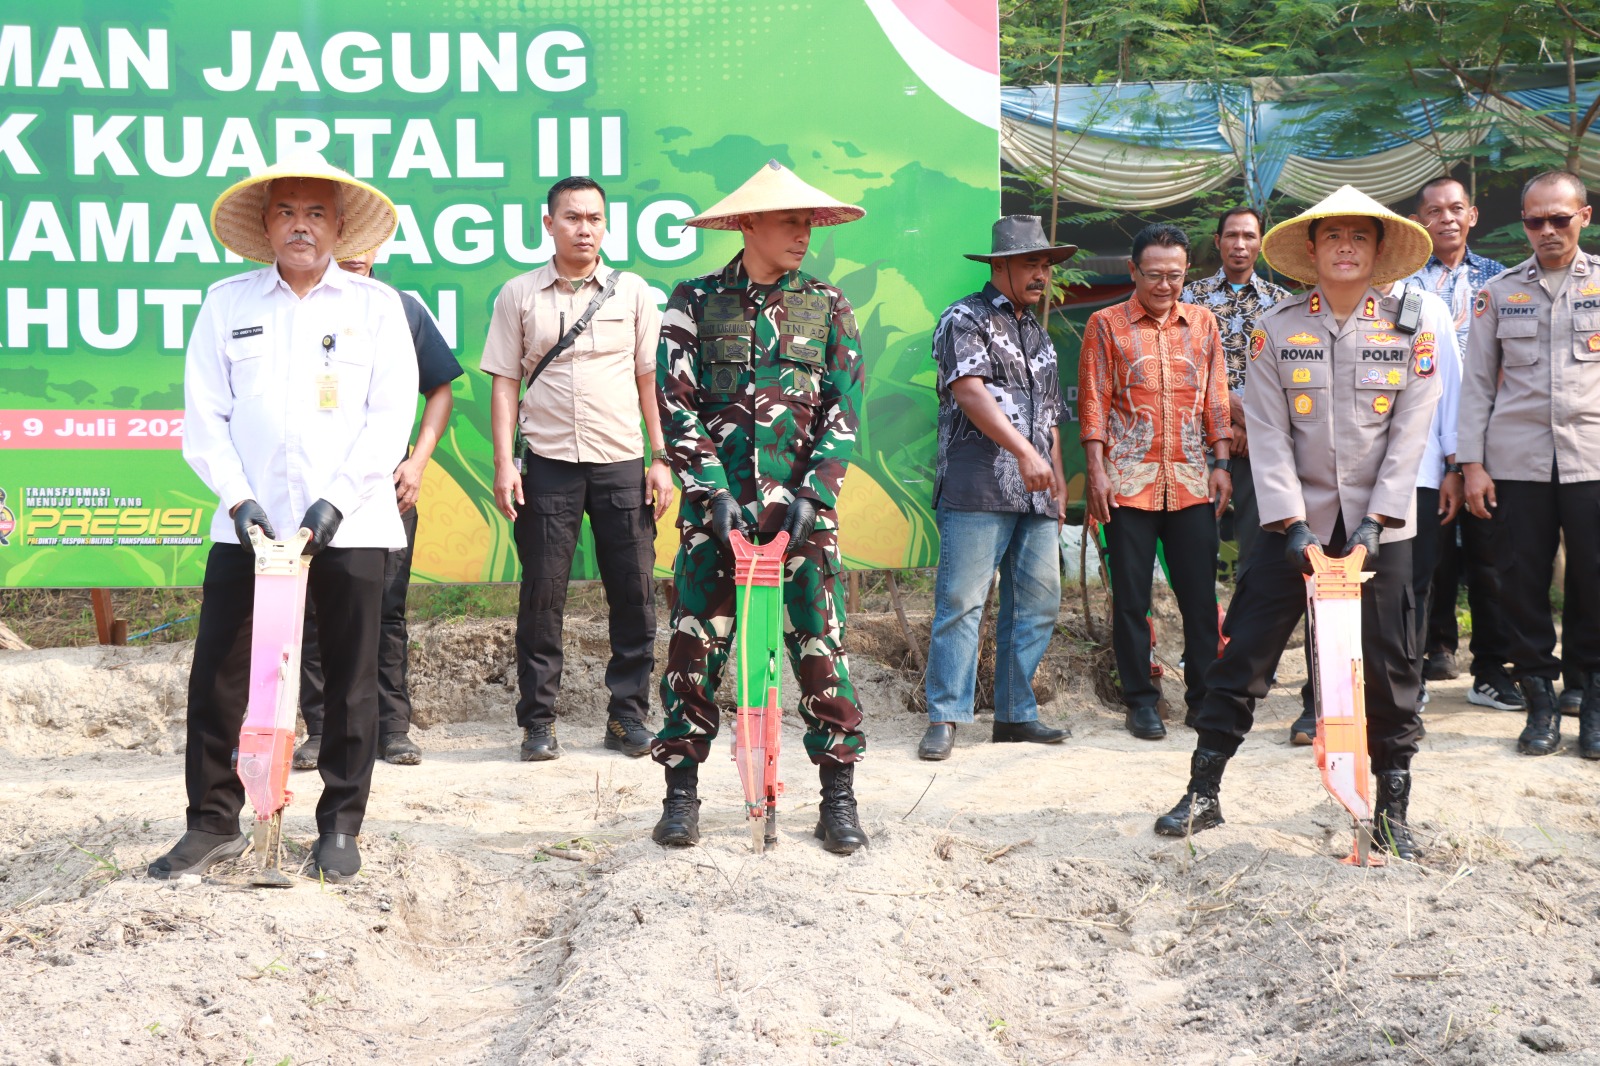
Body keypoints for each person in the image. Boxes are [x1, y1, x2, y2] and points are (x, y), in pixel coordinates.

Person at [1154, 185, 1443, 860]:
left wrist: (1376, 521)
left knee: (1393, 664)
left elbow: (1411, 432)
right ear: (1311, 251)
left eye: (1359, 238)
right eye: (1332, 237)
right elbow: (1268, 428)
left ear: (1377, 251)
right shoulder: (1277, 328)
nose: (1345, 248)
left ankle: (1392, 811)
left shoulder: (1411, 326)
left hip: (1383, 529)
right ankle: (1203, 791)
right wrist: (1291, 524)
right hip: (1292, 526)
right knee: (1247, 650)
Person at [148, 157, 416, 882]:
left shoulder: (376, 308)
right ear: (265, 225)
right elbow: (205, 419)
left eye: (317, 213)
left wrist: (337, 499)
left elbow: (391, 418)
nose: (301, 224)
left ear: (337, 227)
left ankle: (339, 826)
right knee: (220, 678)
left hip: (351, 523)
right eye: (287, 211)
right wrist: (241, 502)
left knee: (355, 682)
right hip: (250, 527)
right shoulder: (226, 304)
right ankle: (211, 822)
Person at [649, 160, 868, 854]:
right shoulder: (694, 300)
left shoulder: (828, 305)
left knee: (818, 648)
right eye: (789, 221)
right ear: (749, 225)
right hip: (716, 516)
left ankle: (837, 795)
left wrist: (813, 495)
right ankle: (680, 796)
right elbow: (675, 405)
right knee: (694, 648)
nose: (802, 234)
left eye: (807, 222)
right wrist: (711, 493)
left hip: (802, 517)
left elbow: (845, 407)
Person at [480, 177, 672, 762]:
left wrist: (659, 458)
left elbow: (649, 380)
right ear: (549, 224)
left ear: (606, 225)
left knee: (635, 596)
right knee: (542, 599)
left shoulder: (633, 292)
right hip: (548, 466)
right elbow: (505, 381)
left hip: (622, 464)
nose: (583, 228)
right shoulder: (518, 294)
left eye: (594, 218)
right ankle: (538, 724)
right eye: (571, 218)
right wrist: (504, 464)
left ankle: (627, 717)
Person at [294, 248, 464, 770]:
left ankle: (392, 729)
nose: (356, 252)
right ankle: (321, 729)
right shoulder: (296, 306)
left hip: (383, 489)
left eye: (368, 240)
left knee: (385, 610)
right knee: (309, 612)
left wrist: (416, 462)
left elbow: (439, 391)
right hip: (307, 492)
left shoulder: (400, 306)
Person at [917, 215, 1076, 761]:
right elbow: (969, 392)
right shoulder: (964, 317)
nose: (1041, 274)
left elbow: (1050, 417)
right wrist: (1026, 454)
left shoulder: (1039, 332)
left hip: (1036, 494)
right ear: (1001, 266)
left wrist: (1054, 483)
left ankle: (1014, 714)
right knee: (962, 603)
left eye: (1045, 265)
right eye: (1031, 263)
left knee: (1037, 605)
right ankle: (945, 716)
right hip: (977, 486)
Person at [1459, 170, 1599, 759]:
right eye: (1535, 221)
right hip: (1516, 464)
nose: (1547, 230)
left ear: (1583, 217)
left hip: (1592, 461)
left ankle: (1590, 701)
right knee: (1519, 583)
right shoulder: (1498, 293)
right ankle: (1540, 697)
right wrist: (1471, 465)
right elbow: (1475, 387)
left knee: (1594, 583)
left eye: (1559, 219)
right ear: (1524, 225)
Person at [1080, 223, 1231, 740]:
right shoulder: (1105, 324)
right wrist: (1096, 470)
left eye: (1175, 274)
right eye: (1154, 275)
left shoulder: (1205, 324)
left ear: (1187, 271)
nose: (1165, 284)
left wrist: (1223, 463)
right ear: (1133, 271)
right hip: (1128, 482)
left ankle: (1204, 696)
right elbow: (1094, 400)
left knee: (1198, 597)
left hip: (1192, 480)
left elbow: (1216, 399)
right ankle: (1141, 699)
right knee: (1130, 598)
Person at [1400, 177, 1518, 711]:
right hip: (1426, 439)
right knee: (1427, 557)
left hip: (1493, 438)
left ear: (1472, 215)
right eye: (1433, 211)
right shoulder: (1405, 288)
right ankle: (1424, 656)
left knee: (1493, 558)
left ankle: (1491, 668)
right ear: (1420, 222)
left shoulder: (1501, 278)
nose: (1445, 218)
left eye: (1455, 209)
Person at [1181, 206, 1292, 577]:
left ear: (1261, 243)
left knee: (1258, 544)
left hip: (1259, 441)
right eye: (1231, 235)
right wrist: (1227, 412)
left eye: (1248, 236)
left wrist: (1248, 426)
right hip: (1198, 438)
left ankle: (1246, 629)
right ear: (1218, 241)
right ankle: (1203, 627)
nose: (1239, 244)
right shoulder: (1189, 298)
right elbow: (1182, 366)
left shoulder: (1281, 303)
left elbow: (1288, 377)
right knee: (1196, 544)